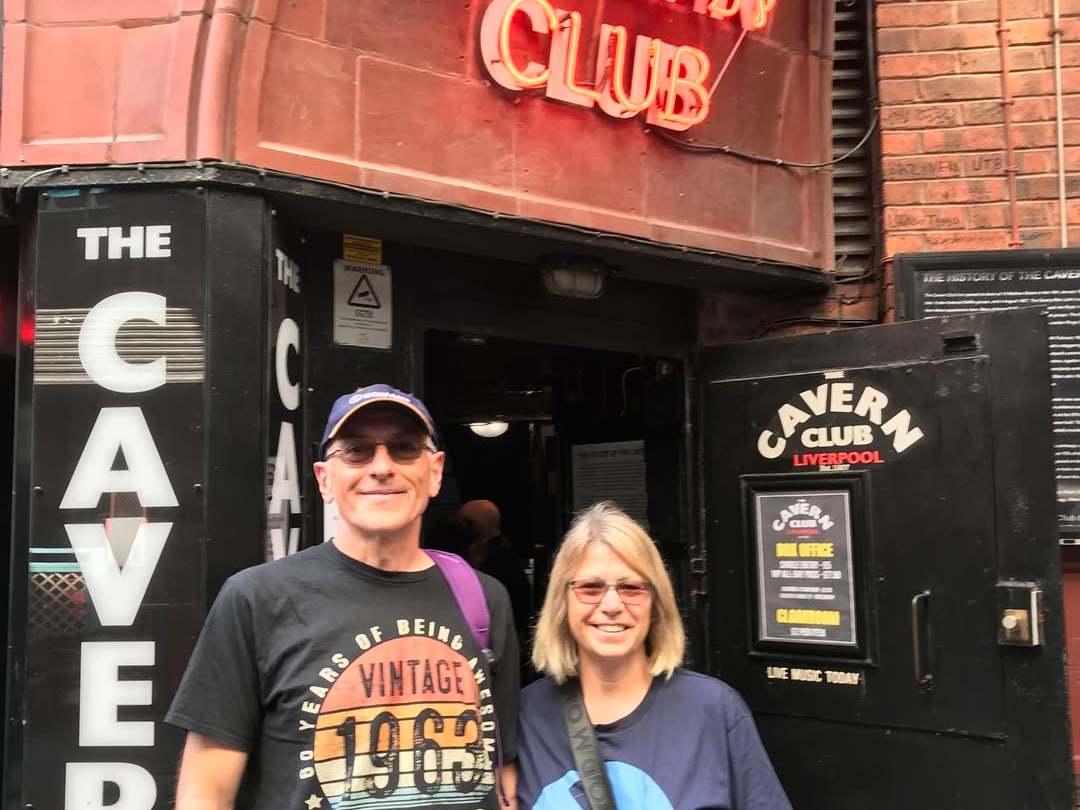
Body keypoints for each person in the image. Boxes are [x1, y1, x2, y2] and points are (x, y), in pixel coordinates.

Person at [167, 384, 520, 810]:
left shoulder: (484, 599)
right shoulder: (255, 599)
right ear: (324, 479)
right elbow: (206, 792)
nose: (382, 467)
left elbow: (502, 772)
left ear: (435, 472)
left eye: (405, 448)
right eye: (357, 451)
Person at [516, 502, 791, 810]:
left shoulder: (713, 711)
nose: (611, 605)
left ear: (656, 604)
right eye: (590, 588)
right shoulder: (526, 716)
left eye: (631, 588)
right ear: (561, 602)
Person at [459, 500, 532, 645]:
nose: (460, 529)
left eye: (464, 523)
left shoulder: (498, 562)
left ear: (477, 526)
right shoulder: (504, 556)